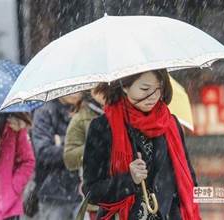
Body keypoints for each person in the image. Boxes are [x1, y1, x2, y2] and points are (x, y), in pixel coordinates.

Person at [82, 70, 201, 220]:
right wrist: (128, 180)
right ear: (125, 87)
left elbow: (189, 179)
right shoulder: (102, 127)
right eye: (145, 89)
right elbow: (91, 191)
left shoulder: (170, 124)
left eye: (159, 89)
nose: (153, 96)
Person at [32, 93, 82, 220]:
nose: (77, 93)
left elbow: (94, 144)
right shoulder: (45, 111)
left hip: (83, 190)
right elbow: (44, 152)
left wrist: (60, 140)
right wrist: (77, 148)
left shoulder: (87, 109)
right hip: (53, 192)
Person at [63, 90, 105, 220]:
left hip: (127, 196)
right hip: (97, 201)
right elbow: (69, 159)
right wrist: (94, 145)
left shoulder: (126, 112)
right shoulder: (81, 118)